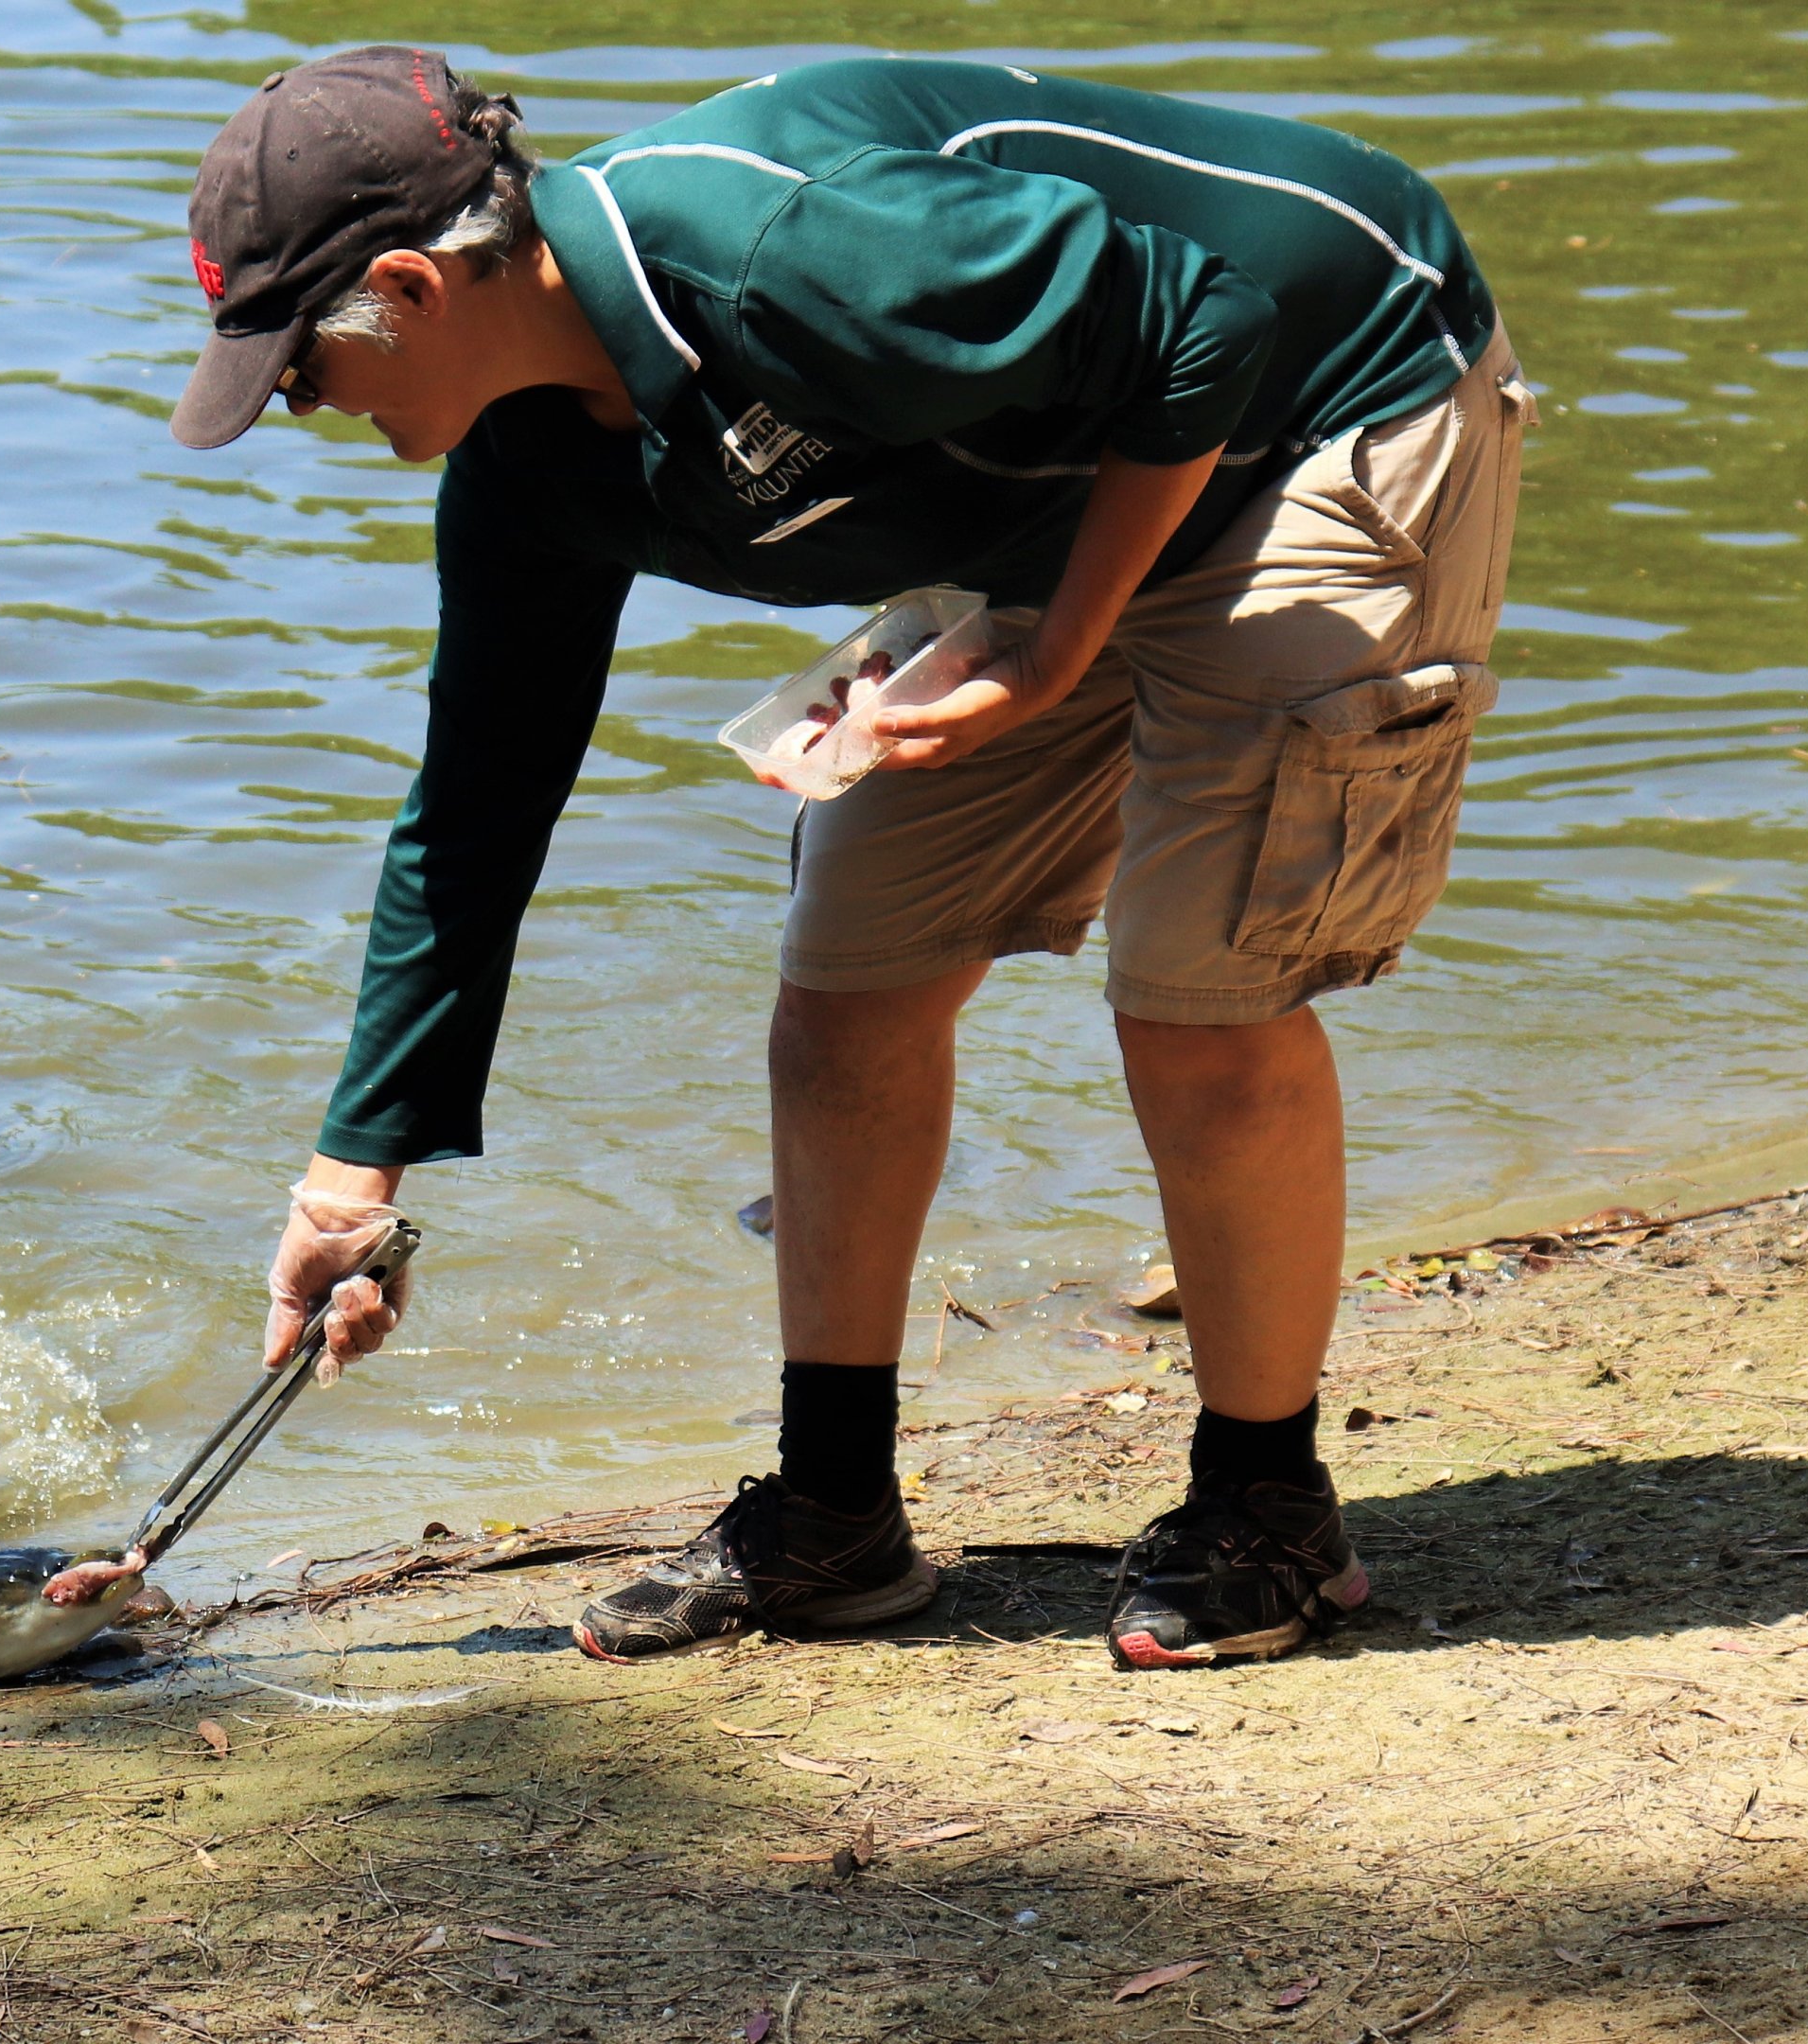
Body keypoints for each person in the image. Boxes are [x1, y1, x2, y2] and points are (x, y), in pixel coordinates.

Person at [169, 47, 1527, 1668]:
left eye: (301, 370)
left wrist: (1055, 650)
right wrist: (353, 1180)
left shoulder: (781, 254)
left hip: (1325, 398)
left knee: (1193, 992)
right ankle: (835, 1517)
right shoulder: (530, 472)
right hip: (1081, 479)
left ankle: (1267, 1505)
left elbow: (1204, 322)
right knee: (851, 984)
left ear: (411, 284)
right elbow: (473, 811)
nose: (305, 410)